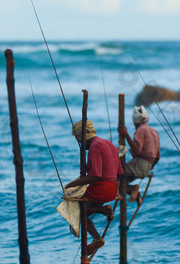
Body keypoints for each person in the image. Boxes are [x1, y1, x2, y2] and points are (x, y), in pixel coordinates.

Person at [64, 120, 123, 255]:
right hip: (112, 188)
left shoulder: (95, 147)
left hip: (101, 188)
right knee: (86, 211)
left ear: (81, 137)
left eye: (78, 140)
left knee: (78, 212)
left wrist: (71, 185)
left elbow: (95, 176)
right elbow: (120, 173)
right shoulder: (109, 144)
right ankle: (102, 210)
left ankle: (96, 238)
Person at [117, 106, 160, 204]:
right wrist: (149, 168)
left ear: (134, 120)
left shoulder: (141, 130)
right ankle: (134, 190)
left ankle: (132, 189)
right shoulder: (154, 132)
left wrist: (126, 134)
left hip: (139, 164)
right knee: (122, 181)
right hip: (147, 167)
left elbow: (137, 151)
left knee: (114, 175)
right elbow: (157, 157)